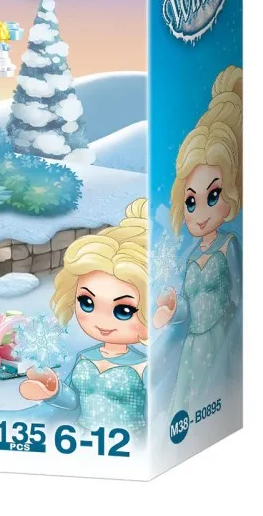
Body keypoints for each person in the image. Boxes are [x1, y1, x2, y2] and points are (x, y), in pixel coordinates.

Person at [153, 67, 242, 414]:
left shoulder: (228, 246)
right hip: (193, 348)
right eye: (191, 201)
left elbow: (239, 297)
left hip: (223, 343)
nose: (199, 213)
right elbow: (190, 308)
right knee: (187, 406)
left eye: (213, 196)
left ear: (230, 192)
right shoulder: (190, 256)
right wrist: (172, 310)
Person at [19, 199, 150, 435]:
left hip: (132, 442)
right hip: (83, 437)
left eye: (123, 311)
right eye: (87, 303)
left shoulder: (143, 367)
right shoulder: (85, 358)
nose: (102, 321)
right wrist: (54, 391)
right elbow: (74, 403)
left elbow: (158, 412)